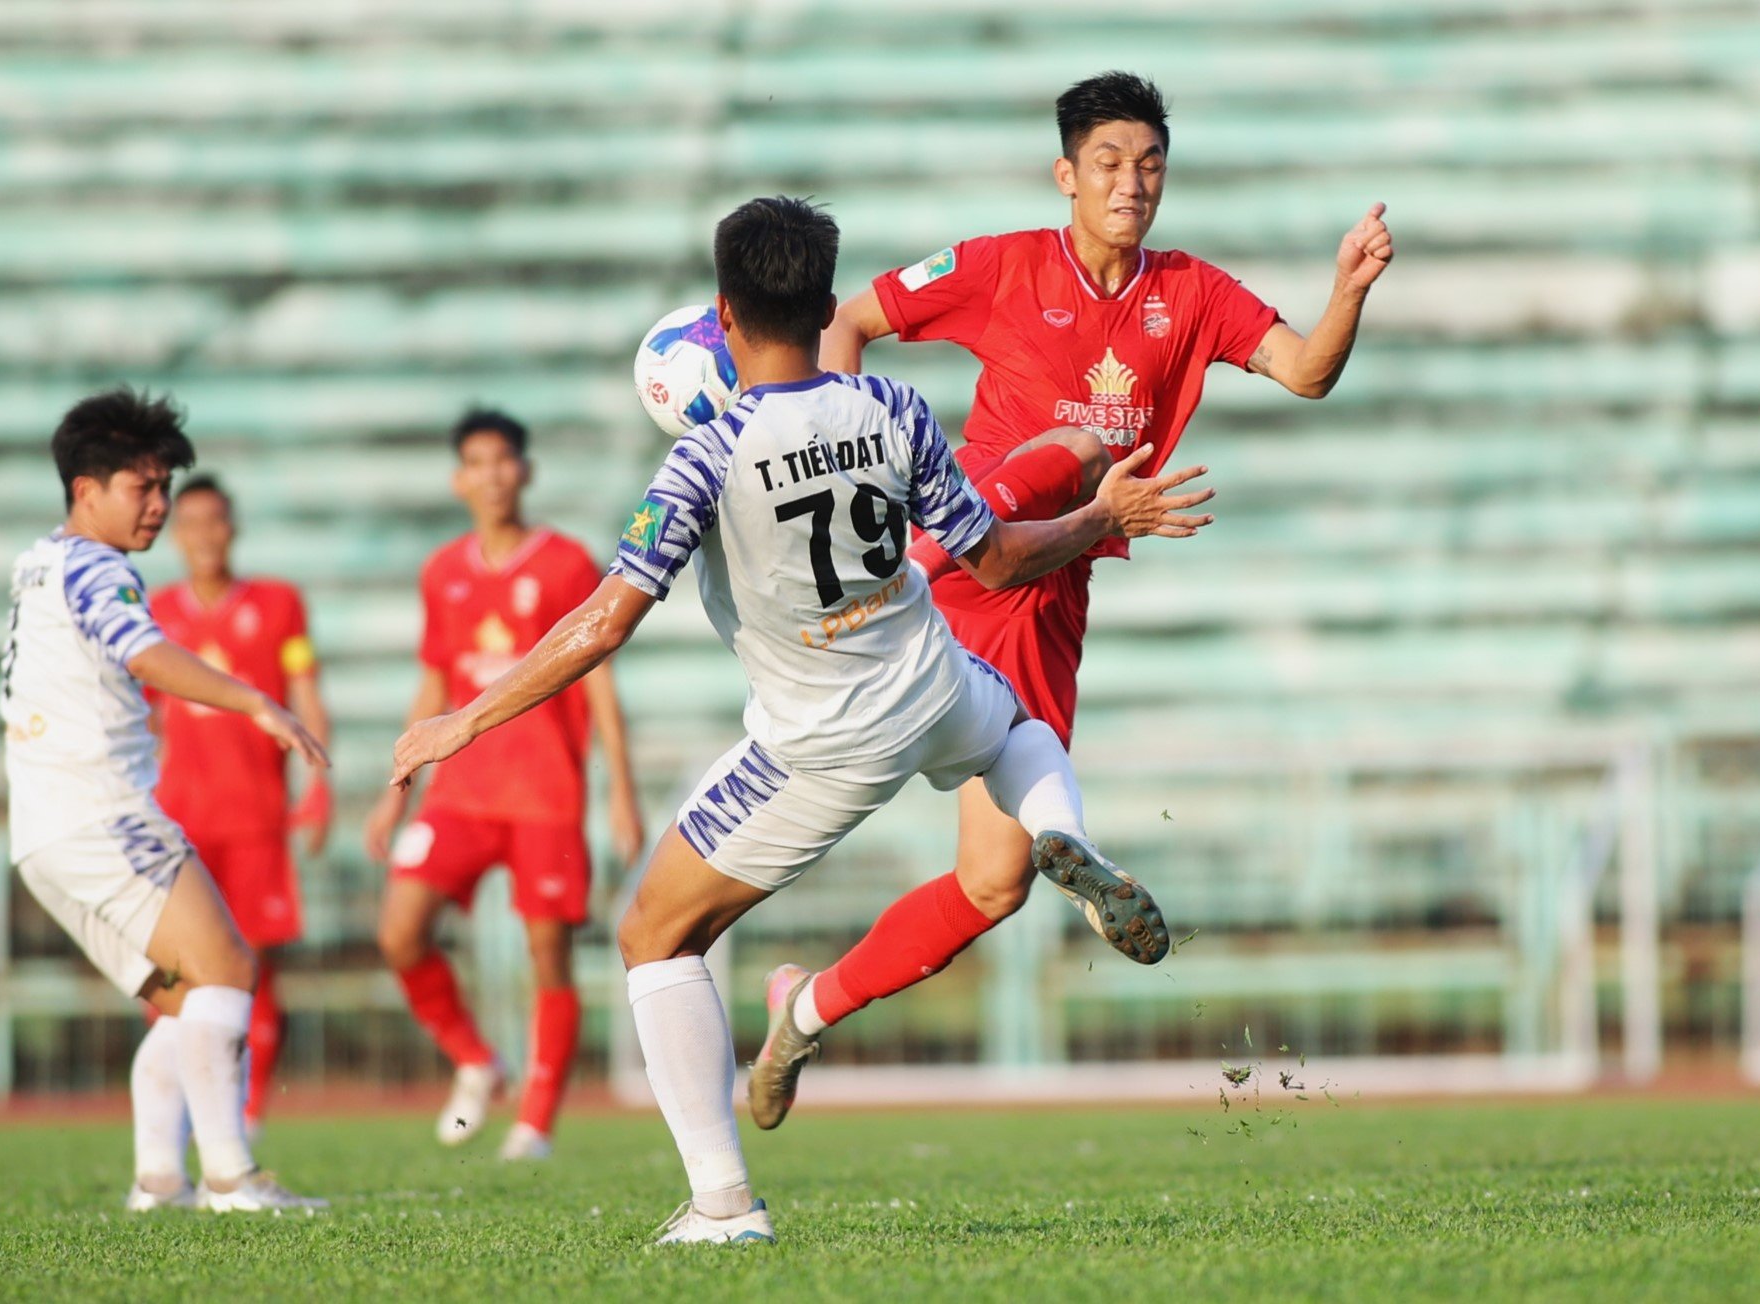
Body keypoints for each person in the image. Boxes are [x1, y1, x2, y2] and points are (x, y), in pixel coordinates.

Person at [388, 196, 1212, 1244]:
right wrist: (1099, 517)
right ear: (827, 304)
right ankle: (1071, 835)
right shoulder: (895, 407)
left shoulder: (704, 453)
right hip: (933, 678)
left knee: (652, 934)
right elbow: (997, 558)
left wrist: (466, 716)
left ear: (721, 316)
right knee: (1014, 734)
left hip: (820, 741)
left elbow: (601, 625)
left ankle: (722, 1204)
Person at [755, 70, 1395, 1095]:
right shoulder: (1000, 265)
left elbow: (1306, 371)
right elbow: (851, 319)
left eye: (1148, 164)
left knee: (990, 884)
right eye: (1107, 161)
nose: (1130, 182)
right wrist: (835, 438)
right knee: (1062, 472)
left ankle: (802, 1008)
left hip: (1054, 582)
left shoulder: (1189, 291)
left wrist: (1349, 291)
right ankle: (1066, 830)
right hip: (970, 542)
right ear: (1065, 174)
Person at [2, 387, 328, 1211]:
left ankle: (158, 1179)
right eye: (140, 488)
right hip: (100, 811)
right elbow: (145, 654)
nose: (158, 506)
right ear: (87, 490)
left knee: (185, 1001)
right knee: (227, 967)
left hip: (43, 834)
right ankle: (231, 1176)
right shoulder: (93, 564)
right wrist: (255, 700)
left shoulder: (36, 559)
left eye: (164, 488)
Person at [365, 408, 645, 1162]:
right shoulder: (443, 573)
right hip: (459, 791)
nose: (491, 475)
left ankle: (536, 1123)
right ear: (459, 479)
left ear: (524, 470)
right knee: (399, 930)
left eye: (503, 460)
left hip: (545, 793)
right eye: (476, 463)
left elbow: (597, 679)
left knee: (547, 955)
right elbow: (435, 680)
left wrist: (621, 787)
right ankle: (477, 1061)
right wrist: (395, 783)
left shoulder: (564, 564)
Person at [148, 475, 332, 1139]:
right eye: (190, 522)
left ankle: (245, 1117)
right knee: (171, 972)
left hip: (257, 819)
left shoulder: (279, 605)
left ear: (233, 527)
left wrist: (319, 784)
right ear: (175, 533)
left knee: (253, 971)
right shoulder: (153, 611)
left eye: (215, 521)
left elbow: (307, 694)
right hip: (179, 823)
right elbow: (141, 718)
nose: (204, 535)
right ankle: (182, 1114)